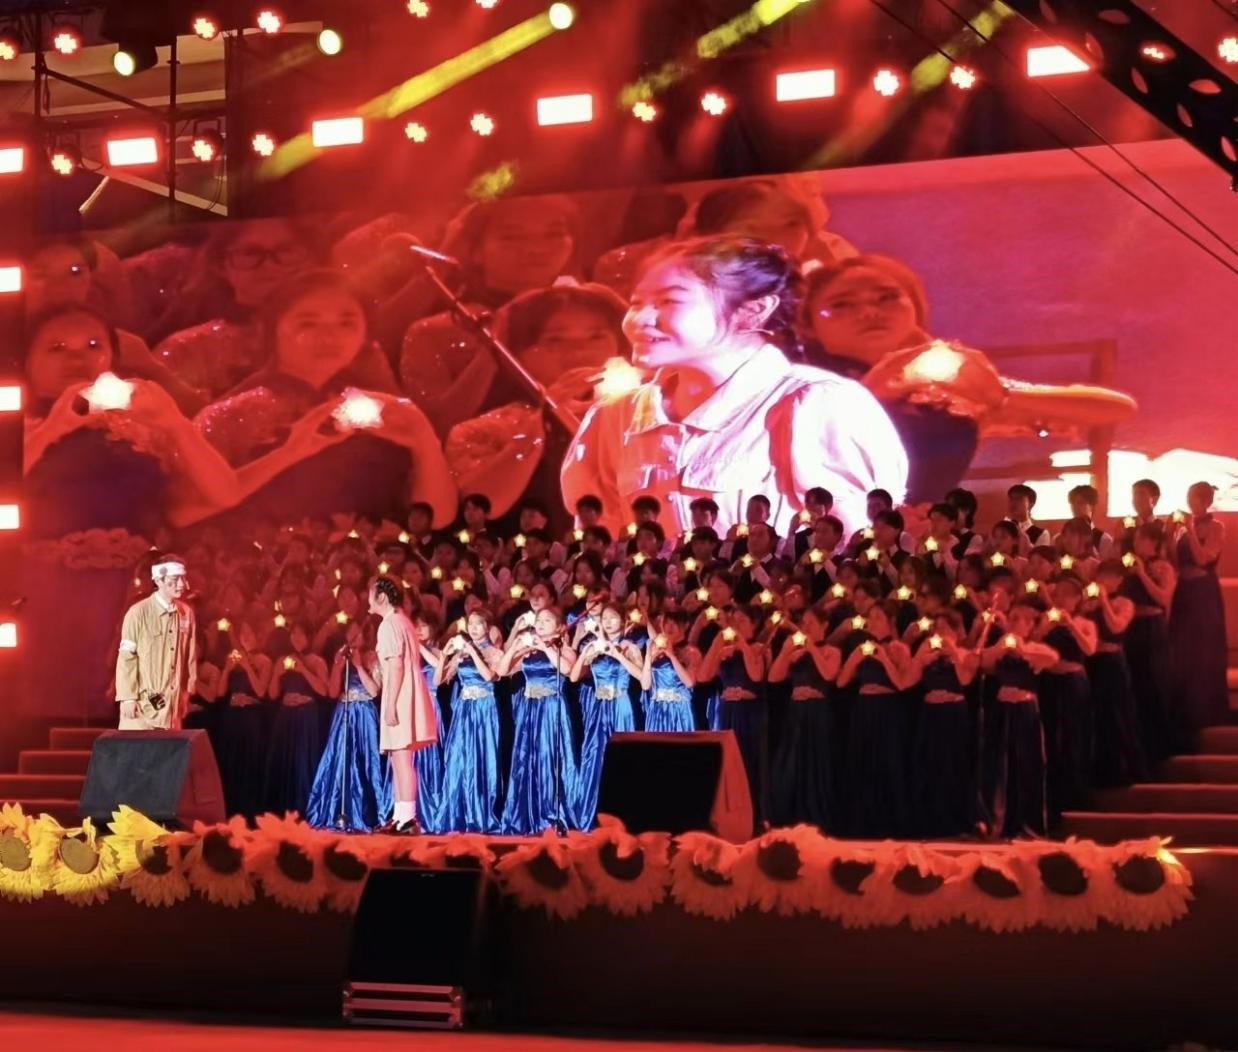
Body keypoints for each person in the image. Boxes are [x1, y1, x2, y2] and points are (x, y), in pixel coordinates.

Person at [562, 237, 908, 542]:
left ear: (752, 311)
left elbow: (856, 546)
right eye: (636, 303)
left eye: (669, 301)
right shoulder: (616, 417)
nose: (639, 320)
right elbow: (603, 544)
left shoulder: (818, 404)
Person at [195, 269, 455, 527]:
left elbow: (436, 521)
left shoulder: (379, 409)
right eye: (307, 323)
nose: (330, 337)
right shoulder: (235, 412)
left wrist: (425, 443)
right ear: (273, 329)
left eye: (347, 323)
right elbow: (188, 508)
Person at [803, 254, 1006, 502]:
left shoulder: (945, 380)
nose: (870, 312)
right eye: (841, 304)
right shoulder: (790, 389)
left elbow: (1045, 411)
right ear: (808, 324)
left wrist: (998, 398)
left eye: (887, 297)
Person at [498, 605, 580, 835]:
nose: (541, 624)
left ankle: (552, 816)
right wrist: (516, 646)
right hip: (529, 709)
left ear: (560, 626)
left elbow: (567, 669)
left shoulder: (564, 649)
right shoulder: (528, 649)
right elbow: (502, 671)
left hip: (552, 708)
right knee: (527, 759)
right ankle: (527, 816)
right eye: (539, 620)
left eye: (547, 620)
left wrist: (545, 646)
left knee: (550, 759)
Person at [304, 619, 392, 831]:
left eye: (357, 633)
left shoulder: (372, 657)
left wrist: (359, 665)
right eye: (350, 634)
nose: (354, 638)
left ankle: (369, 812)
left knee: (365, 761)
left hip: (364, 713)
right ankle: (337, 811)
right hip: (344, 712)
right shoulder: (341, 657)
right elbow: (332, 691)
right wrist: (337, 666)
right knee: (341, 759)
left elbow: (374, 691)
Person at [371, 577, 438, 834]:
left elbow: (396, 665)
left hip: (400, 694)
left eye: (371, 594)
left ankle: (408, 818)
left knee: (401, 758)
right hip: (406, 691)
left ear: (382, 597)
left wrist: (390, 705)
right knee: (399, 758)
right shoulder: (403, 622)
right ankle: (400, 817)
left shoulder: (389, 624)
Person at [768, 604, 841, 830]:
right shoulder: (795, 653)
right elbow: (773, 677)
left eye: (811, 623)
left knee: (816, 763)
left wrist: (811, 648)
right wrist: (785, 652)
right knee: (791, 762)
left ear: (824, 625)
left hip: (817, 711)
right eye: (804, 623)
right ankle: (790, 816)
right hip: (795, 712)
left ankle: (817, 817)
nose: (805, 627)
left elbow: (829, 675)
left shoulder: (831, 651)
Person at [570, 603, 644, 828]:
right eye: (605, 618)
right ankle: (593, 814)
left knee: (622, 757)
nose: (608, 622)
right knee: (595, 757)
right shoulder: (593, 647)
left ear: (624, 620)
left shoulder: (629, 647)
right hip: (598, 706)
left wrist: (618, 655)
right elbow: (574, 677)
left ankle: (624, 816)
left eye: (613, 617)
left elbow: (642, 678)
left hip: (621, 704)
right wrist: (586, 652)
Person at [1168, 482, 1228, 743]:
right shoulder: (1183, 529)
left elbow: (1204, 558)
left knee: (1203, 651)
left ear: (1206, 501)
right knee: (1181, 650)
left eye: (1195, 498)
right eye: (1189, 497)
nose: (1191, 502)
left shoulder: (1216, 527)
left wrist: (1190, 529)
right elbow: (1175, 561)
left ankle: (1205, 711)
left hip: (1204, 593)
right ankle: (1183, 712)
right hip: (1184, 591)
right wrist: (1170, 534)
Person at [436, 610, 504, 833]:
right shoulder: (461, 653)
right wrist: (444, 655)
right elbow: (438, 680)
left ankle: (481, 814)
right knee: (458, 758)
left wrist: (473, 652)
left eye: (478, 624)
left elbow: (490, 677)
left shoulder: (493, 652)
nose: (473, 628)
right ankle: (457, 815)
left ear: (487, 627)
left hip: (484, 709)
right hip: (464, 710)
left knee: (481, 758)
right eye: (470, 624)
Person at [115, 556, 198, 730]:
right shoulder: (138, 613)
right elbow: (126, 656)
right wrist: (128, 697)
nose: (181, 584)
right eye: (175, 579)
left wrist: (187, 693)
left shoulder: (186, 613)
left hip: (172, 709)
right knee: (139, 747)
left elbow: (190, 656)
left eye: (183, 578)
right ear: (159, 580)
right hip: (141, 710)